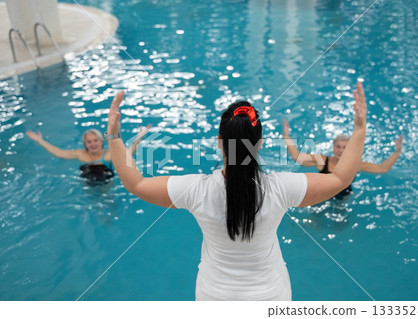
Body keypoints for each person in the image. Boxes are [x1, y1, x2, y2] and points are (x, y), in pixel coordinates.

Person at [106, 82, 367, 300]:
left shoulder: (197, 190)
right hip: (271, 298)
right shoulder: (281, 188)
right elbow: (342, 178)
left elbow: (136, 184)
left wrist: (114, 136)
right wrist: (359, 128)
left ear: (220, 142)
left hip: (214, 299)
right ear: (260, 144)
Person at [282, 120, 403, 198]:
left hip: (343, 196)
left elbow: (383, 168)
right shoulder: (323, 160)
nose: (341, 150)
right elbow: (297, 158)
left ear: (349, 149)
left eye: (345, 148)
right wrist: (286, 136)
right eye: (338, 147)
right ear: (333, 148)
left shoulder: (356, 165)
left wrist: (397, 153)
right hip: (321, 195)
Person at [26, 127, 148, 185]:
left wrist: (139, 138)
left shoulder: (108, 154)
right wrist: (40, 140)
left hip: (105, 180)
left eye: (95, 140)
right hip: (86, 179)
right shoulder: (80, 154)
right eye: (89, 142)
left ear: (101, 142)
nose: (93, 144)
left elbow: (127, 154)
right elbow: (59, 153)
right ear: (85, 144)